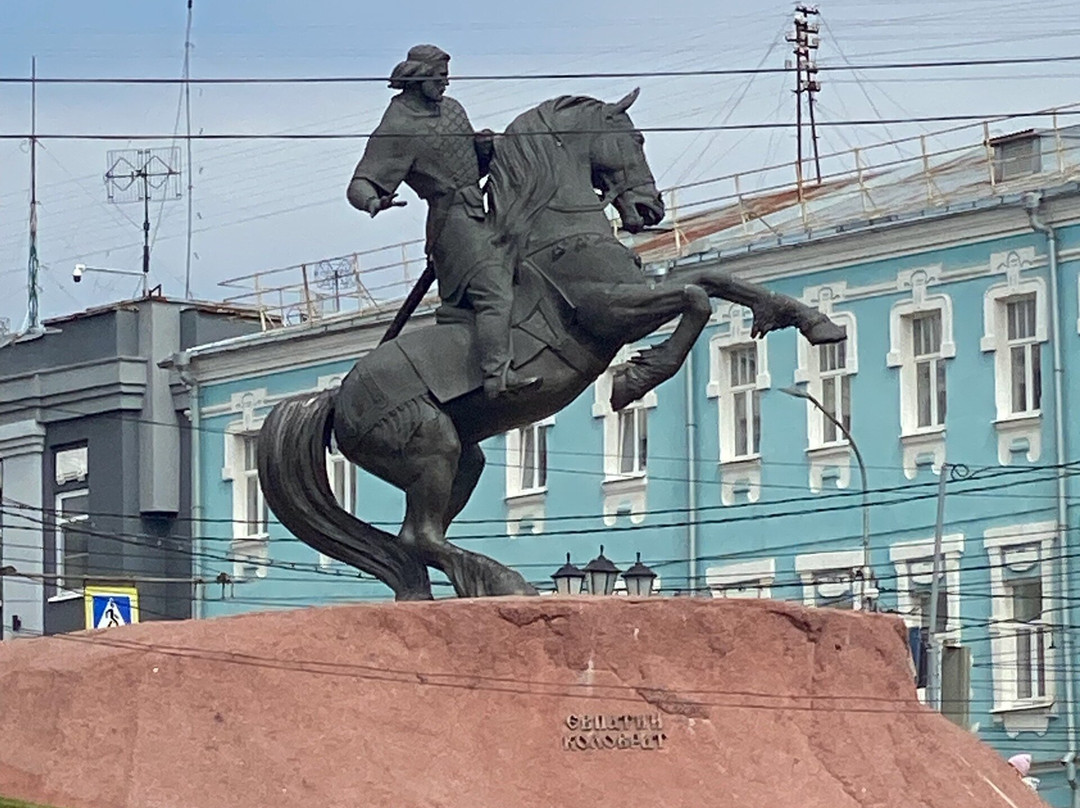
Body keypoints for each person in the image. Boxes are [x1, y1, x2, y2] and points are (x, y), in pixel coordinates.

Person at [346, 44, 540, 399]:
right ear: (419, 78)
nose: (446, 83)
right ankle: (498, 377)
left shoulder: (452, 109)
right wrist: (373, 200)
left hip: (481, 206)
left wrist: (483, 149)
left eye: (447, 76)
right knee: (493, 293)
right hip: (451, 223)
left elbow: (467, 163)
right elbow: (360, 182)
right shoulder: (399, 127)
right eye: (440, 76)